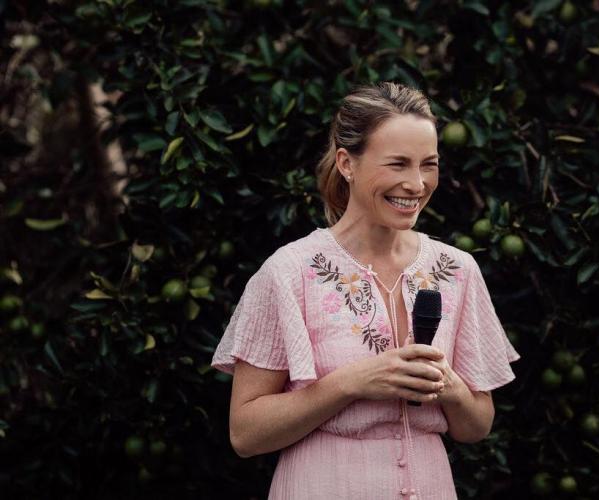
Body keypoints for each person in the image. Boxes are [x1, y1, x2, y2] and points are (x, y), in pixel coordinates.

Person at [211, 81, 521, 499]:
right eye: (397, 164)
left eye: (428, 164)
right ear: (346, 163)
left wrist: (446, 383)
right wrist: (351, 382)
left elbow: (476, 426)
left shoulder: (458, 270)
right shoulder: (290, 272)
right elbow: (245, 435)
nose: (416, 183)